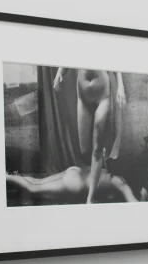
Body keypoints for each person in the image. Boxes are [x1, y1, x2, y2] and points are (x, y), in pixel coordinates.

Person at [53, 68, 126, 204]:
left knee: (96, 150)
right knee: (85, 149)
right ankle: (100, 153)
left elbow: (116, 57)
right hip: (83, 95)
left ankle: (90, 198)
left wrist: (120, 86)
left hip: (103, 94)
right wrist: (59, 73)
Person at [6, 159, 140, 204]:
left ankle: (9, 177)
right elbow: (134, 205)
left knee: (37, 181)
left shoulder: (111, 172)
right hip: (75, 183)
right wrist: (143, 196)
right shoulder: (122, 184)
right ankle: (4, 177)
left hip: (75, 171)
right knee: (33, 189)